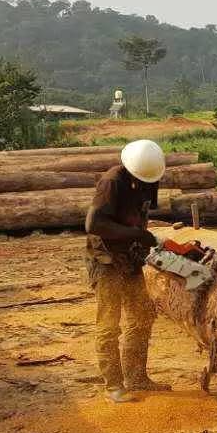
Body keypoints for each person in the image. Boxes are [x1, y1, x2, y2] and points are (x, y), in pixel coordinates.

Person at [85, 139, 171, 403]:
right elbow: (93, 223)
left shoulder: (150, 177)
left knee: (142, 315)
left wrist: (146, 242)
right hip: (106, 259)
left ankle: (136, 376)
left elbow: (141, 215)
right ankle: (113, 385)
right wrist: (137, 234)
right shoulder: (112, 182)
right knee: (110, 323)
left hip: (130, 256)